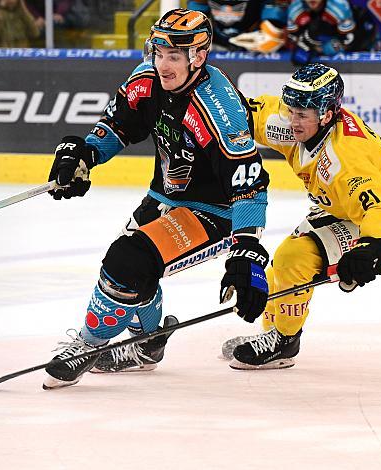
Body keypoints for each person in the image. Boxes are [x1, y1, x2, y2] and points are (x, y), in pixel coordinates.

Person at [43, 8, 271, 389]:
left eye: (174, 57)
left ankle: (87, 346)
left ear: (197, 57)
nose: (162, 65)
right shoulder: (147, 78)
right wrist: (83, 155)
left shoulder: (220, 106)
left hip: (214, 212)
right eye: (159, 53)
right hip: (162, 196)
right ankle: (147, 346)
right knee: (134, 271)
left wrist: (246, 251)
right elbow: (118, 127)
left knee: (126, 259)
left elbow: (248, 183)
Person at [220, 63, 381, 369]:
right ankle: (274, 332)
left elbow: (380, 208)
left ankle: (284, 341)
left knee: (293, 258)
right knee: (277, 275)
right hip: (342, 205)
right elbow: (249, 113)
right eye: (291, 109)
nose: (293, 121)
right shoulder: (297, 123)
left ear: (326, 114)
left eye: (302, 115)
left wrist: (369, 248)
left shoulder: (343, 159)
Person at [286, 0, 377, 65]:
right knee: (299, 58)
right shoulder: (295, 8)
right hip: (315, 38)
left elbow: (350, 41)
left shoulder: (339, 6)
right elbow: (293, 36)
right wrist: (308, 43)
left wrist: (323, 48)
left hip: (357, 30)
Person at [188, 0, 288, 53]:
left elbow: (274, 33)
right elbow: (193, 24)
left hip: (255, 49)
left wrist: (270, 36)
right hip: (216, 46)